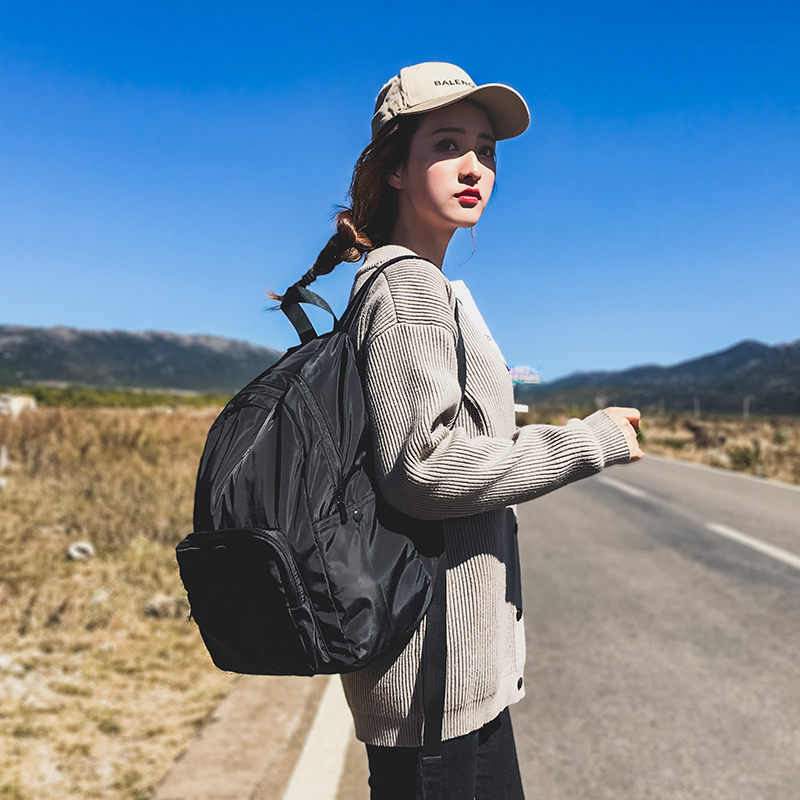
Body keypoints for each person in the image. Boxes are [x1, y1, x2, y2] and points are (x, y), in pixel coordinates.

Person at [283, 62, 642, 800]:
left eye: (487, 150)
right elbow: (425, 466)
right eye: (447, 144)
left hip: (446, 673)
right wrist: (589, 440)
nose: (474, 166)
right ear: (392, 170)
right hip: (436, 679)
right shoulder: (408, 285)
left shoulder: (416, 284)